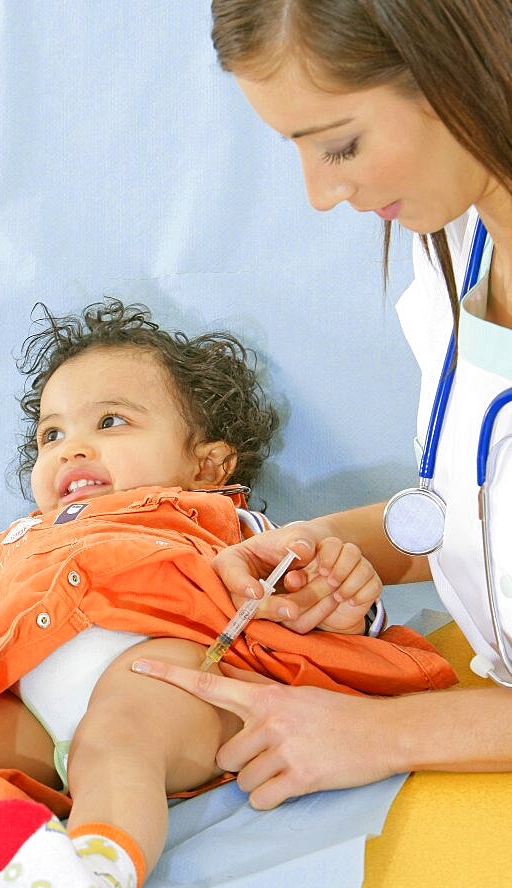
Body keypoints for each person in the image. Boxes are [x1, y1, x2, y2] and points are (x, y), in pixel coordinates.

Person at [0, 298, 455, 888]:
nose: (71, 447)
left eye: (109, 422)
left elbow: (310, 605)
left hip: (169, 681)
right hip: (28, 706)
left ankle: (91, 885)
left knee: (122, 726)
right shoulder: (6, 546)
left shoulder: (224, 519)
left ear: (205, 463)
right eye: (51, 435)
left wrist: (344, 604)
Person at [132, 0, 512, 808]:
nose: (319, 192)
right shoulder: (456, 245)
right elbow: (476, 508)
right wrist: (325, 543)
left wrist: (381, 734)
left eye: (340, 143)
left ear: (463, 64)